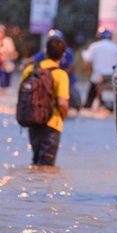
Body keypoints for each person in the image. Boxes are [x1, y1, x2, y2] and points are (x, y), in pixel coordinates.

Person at [19, 36, 70, 166]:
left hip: (33, 120)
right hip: (52, 124)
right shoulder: (60, 74)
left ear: (45, 51)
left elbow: (21, 94)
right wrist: (62, 116)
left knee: (36, 160)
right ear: (63, 55)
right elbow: (62, 103)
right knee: (47, 165)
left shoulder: (30, 70)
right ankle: (42, 185)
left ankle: (33, 183)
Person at [29, 30, 81, 112]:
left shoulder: (68, 53)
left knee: (76, 100)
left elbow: (71, 67)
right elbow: (32, 59)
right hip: (48, 80)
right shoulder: (43, 54)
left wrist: (62, 73)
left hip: (68, 79)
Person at [81, 27, 117, 109]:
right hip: (113, 76)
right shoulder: (116, 47)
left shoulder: (94, 46)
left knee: (92, 88)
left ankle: (88, 104)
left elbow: (87, 60)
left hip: (99, 76)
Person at [0, 24, 18, 91]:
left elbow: (12, 50)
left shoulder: (8, 40)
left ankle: (6, 86)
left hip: (7, 60)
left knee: (7, 73)